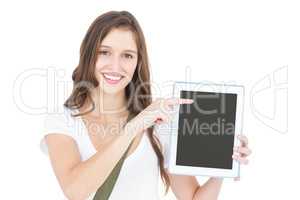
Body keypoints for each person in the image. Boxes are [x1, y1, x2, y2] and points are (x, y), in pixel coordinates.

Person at [40, 11, 251, 200]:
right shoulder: (63, 120)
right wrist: (134, 126)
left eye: (127, 56)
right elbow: (75, 191)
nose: (115, 66)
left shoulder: (158, 122)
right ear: (88, 54)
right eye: (104, 52)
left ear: (137, 62)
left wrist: (222, 168)